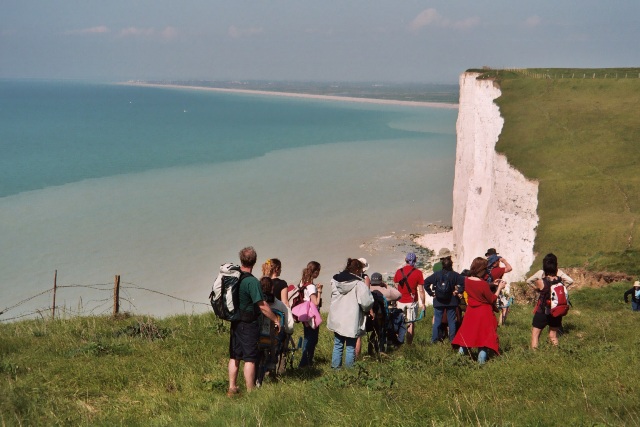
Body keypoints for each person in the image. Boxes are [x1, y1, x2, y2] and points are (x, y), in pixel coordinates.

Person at [227, 247, 280, 397]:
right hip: (248, 323)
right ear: (255, 261)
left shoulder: (235, 277)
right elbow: (262, 306)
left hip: (235, 322)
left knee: (234, 357)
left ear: (241, 260)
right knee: (250, 358)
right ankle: (251, 392)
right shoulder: (252, 281)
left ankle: (232, 387)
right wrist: (275, 319)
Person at [452, 257, 505, 364]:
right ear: (481, 269)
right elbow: (492, 299)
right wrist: (499, 288)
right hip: (483, 313)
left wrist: (491, 284)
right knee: (483, 339)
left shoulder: (466, 280)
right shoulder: (483, 284)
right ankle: (480, 364)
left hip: (471, 312)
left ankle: (459, 360)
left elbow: (476, 286)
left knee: (466, 337)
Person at [327, 258, 374, 368]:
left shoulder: (335, 280)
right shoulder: (359, 284)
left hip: (337, 318)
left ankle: (335, 369)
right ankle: (349, 371)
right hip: (351, 319)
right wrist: (368, 309)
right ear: (358, 270)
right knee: (350, 346)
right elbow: (367, 303)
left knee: (338, 344)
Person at [527, 253, 572, 349]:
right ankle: (556, 353)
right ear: (556, 267)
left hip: (542, 312)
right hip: (556, 311)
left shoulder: (541, 282)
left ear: (544, 267)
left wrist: (537, 289)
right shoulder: (560, 281)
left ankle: (535, 357)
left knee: (535, 335)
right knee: (553, 336)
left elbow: (539, 289)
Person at [424, 250, 465, 343]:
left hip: (438, 301)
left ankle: (434, 340)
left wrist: (431, 293)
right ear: (451, 264)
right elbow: (464, 283)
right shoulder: (455, 275)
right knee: (451, 321)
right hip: (451, 301)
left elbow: (426, 283)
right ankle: (452, 340)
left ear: (442, 265)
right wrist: (458, 291)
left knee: (437, 321)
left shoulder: (436, 274)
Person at [393, 252, 425, 344]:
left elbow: (396, 286)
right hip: (412, 301)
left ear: (405, 260)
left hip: (400, 300)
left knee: (399, 322)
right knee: (411, 322)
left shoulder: (399, 271)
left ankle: (398, 342)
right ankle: (409, 344)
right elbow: (421, 290)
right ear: (415, 261)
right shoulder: (418, 273)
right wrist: (423, 303)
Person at [297, 261, 322, 368]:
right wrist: (319, 291)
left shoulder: (302, 282)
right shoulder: (311, 286)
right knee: (313, 339)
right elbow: (315, 302)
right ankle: (305, 362)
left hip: (304, 313)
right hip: (311, 314)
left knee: (307, 337)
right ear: (315, 272)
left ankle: (306, 361)